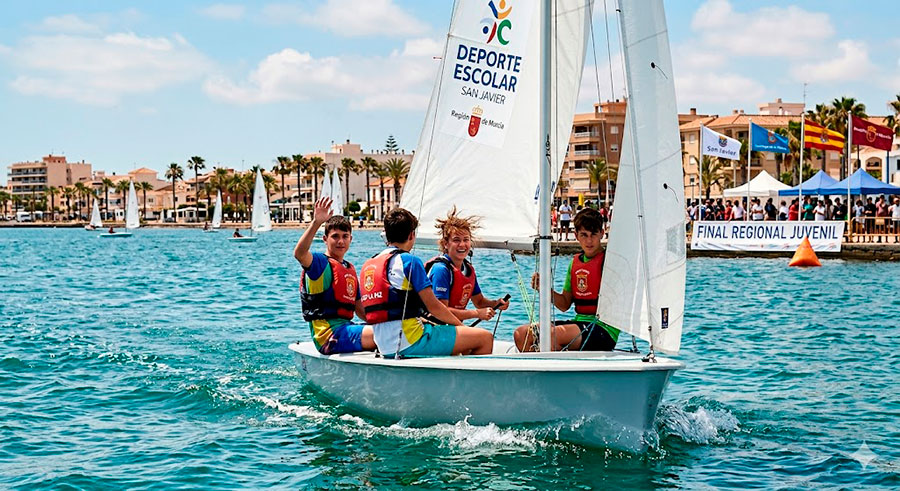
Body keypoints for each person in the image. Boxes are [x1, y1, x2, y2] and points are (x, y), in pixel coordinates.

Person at [360, 208, 493, 357]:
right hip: (411, 341)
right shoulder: (409, 261)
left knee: (465, 338)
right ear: (412, 235)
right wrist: (462, 327)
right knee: (484, 338)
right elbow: (434, 306)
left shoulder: (369, 264)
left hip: (384, 345)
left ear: (386, 234)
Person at [513, 208, 619, 352]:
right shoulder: (574, 263)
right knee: (521, 334)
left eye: (593, 234)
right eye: (584, 235)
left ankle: (552, 361)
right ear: (576, 235)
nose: (589, 240)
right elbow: (564, 304)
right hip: (579, 324)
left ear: (602, 233)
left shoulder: (609, 262)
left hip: (603, 330)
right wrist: (544, 289)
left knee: (549, 336)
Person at [294, 197, 375, 354]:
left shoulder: (349, 269)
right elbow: (300, 253)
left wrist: (388, 321)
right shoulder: (319, 263)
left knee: (390, 331)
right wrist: (316, 223)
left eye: (345, 236)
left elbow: (361, 311)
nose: (340, 241)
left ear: (351, 239)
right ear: (325, 239)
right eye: (335, 236)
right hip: (328, 336)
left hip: (346, 329)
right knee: (385, 335)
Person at [425, 207, 510, 323]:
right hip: (432, 326)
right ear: (445, 244)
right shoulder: (441, 270)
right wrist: (476, 313)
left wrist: (496, 303)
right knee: (484, 334)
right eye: (456, 240)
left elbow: (479, 302)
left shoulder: (468, 270)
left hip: (452, 326)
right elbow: (441, 311)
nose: (462, 244)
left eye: (466, 240)